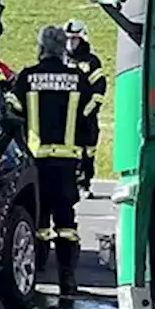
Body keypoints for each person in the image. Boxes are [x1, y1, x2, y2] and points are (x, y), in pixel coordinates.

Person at [8, 26, 95, 301]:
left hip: (36, 164)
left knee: (38, 223)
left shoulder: (26, 78)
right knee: (66, 224)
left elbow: (12, 118)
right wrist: (88, 161)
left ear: (41, 47)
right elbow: (88, 123)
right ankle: (67, 280)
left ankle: (36, 279)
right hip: (66, 163)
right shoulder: (78, 79)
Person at [63, 19, 106, 199]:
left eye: (75, 39)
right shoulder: (61, 59)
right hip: (64, 116)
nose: (71, 43)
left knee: (88, 151)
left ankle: (84, 183)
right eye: (68, 39)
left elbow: (99, 90)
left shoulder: (91, 62)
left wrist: (86, 112)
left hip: (85, 118)